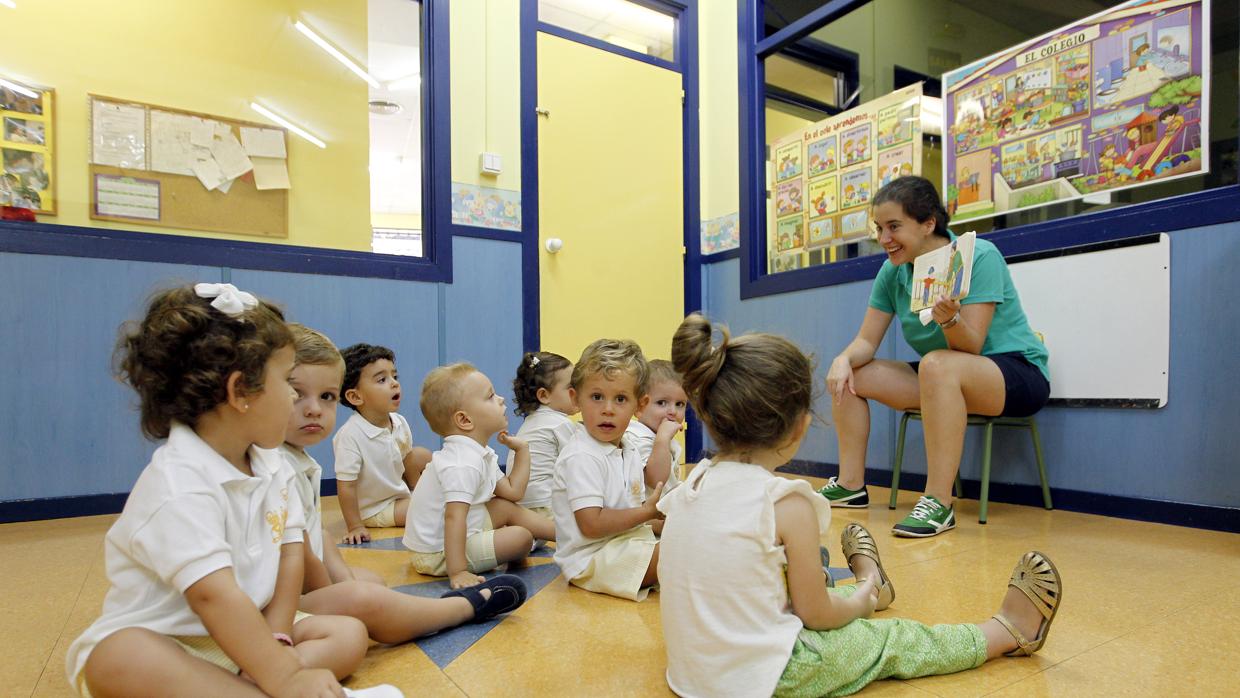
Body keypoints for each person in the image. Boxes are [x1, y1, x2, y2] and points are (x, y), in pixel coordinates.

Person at [658, 313, 1064, 698]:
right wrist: (854, 608)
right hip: (766, 676)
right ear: (800, 426)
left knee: (794, 563)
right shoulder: (785, 502)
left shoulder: (691, 485)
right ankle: (1005, 632)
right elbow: (814, 614)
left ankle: (871, 587)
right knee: (894, 640)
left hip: (691, 674)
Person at [65, 283, 372, 697]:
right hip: (176, 645)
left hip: (249, 635)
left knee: (349, 633)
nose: (293, 398)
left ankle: (243, 685)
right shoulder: (179, 483)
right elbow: (213, 596)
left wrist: (277, 641)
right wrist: (285, 675)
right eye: (287, 384)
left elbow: (288, 559)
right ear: (240, 392)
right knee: (120, 655)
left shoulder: (270, 464)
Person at [820, 176, 1049, 537]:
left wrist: (951, 319)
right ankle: (851, 486)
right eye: (879, 228)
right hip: (942, 373)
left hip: (1015, 373)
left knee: (937, 364)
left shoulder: (979, 256)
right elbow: (866, 340)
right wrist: (843, 358)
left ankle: (939, 503)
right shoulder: (893, 271)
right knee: (853, 376)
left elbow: (970, 346)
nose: (884, 239)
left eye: (894, 227)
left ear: (928, 224)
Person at [283, 325, 529, 634]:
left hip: (392, 500)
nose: (315, 409)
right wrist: (354, 532)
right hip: (374, 512)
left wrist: (339, 581)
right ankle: (459, 609)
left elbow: (314, 536)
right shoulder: (320, 449)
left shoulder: (395, 424)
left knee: (372, 580)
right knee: (358, 614)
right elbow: (339, 495)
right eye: (296, 394)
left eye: (326, 396)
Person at [404, 363, 556, 589]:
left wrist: (522, 451)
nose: (502, 399)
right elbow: (453, 518)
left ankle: (569, 534)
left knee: (504, 506)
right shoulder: (462, 463)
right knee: (521, 537)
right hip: (437, 554)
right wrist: (458, 572)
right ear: (465, 420)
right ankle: (570, 536)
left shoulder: (478, 452)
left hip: (458, 535)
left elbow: (513, 492)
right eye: (491, 396)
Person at [551, 339, 665, 601]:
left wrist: (659, 518)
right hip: (591, 558)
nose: (607, 409)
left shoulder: (629, 447)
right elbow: (591, 524)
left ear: (640, 405)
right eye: (596, 397)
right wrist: (645, 512)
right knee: (678, 555)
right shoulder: (582, 455)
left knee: (690, 537)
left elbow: (627, 509)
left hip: (625, 543)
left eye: (621, 399)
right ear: (575, 398)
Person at [333, 344, 432, 544]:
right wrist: (355, 525)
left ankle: (416, 493)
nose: (394, 384)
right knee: (427, 508)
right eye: (382, 380)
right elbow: (347, 486)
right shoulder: (350, 436)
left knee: (422, 455)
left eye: (395, 377)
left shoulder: (399, 421)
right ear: (355, 396)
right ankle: (419, 500)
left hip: (398, 493)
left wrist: (414, 488)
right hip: (377, 508)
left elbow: (407, 460)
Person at [506, 351, 579, 520]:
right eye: (571, 388)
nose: (578, 392)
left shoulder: (531, 422)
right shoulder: (560, 423)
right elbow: (579, 464)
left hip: (524, 508)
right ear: (544, 395)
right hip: (548, 506)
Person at [623, 358, 686, 495]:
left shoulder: (661, 435)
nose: (673, 411)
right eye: (662, 403)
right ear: (639, 407)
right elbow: (656, 481)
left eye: (679, 404)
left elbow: (670, 484)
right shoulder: (635, 439)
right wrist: (662, 439)